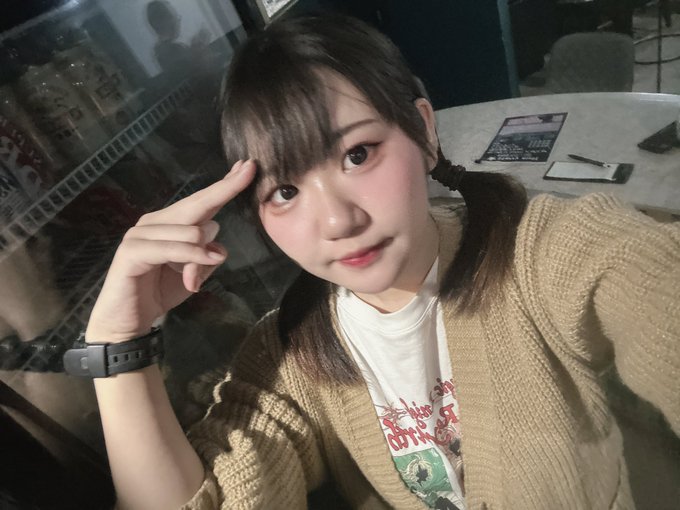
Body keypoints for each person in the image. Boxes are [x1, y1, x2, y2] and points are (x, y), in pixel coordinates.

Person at [81, 13, 679, 510]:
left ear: (423, 131)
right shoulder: (292, 355)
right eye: (285, 191)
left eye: (358, 154)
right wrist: (117, 342)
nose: (337, 222)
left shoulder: (547, 254)